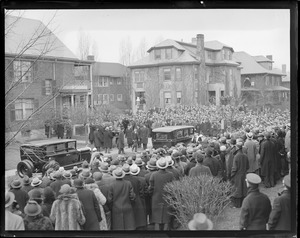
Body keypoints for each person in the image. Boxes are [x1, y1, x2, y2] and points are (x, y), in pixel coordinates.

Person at [149, 157, 175, 230]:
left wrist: (151, 194)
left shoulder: (153, 175)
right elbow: (173, 187)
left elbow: (151, 188)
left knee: (156, 218)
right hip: (167, 197)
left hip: (156, 198)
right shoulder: (171, 174)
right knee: (166, 218)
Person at [230, 140, 249, 208]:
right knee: (243, 189)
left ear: (237, 148)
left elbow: (234, 168)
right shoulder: (245, 155)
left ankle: (237, 205)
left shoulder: (236, 156)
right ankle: (243, 203)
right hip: (244, 174)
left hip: (238, 175)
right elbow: (247, 166)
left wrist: (231, 175)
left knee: (238, 190)